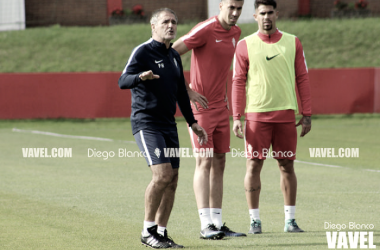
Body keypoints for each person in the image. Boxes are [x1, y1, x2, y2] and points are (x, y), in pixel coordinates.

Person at [118, 8, 208, 249]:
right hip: (146, 123)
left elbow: (180, 92)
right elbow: (122, 80)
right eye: (166, 22)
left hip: (169, 125)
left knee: (174, 179)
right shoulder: (143, 51)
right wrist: (141, 77)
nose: (171, 26)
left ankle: (160, 231)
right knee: (162, 176)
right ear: (153, 26)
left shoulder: (175, 56)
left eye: (174, 22)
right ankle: (147, 231)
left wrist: (193, 123)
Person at [232, 0, 312, 234]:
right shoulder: (244, 45)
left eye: (270, 13)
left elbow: (302, 78)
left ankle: (290, 220)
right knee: (254, 165)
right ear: (255, 16)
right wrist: (237, 116)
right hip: (256, 116)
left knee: (287, 165)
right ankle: (254, 220)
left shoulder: (292, 42)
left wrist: (306, 113)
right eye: (262, 13)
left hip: (286, 115)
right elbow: (237, 82)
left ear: (277, 14)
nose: (267, 17)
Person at [172, 0, 246, 240]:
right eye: (231, 7)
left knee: (220, 163)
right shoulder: (205, 28)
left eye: (239, 8)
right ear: (221, 5)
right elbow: (171, 52)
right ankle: (205, 225)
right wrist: (187, 91)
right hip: (200, 109)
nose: (235, 13)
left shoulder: (236, 32)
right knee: (203, 162)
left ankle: (217, 222)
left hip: (221, 109)